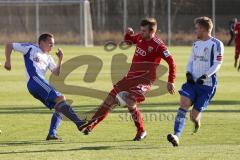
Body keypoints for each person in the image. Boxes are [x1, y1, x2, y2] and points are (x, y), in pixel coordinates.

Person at [79, 18, 176, 141]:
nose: (141, 33)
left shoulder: (159, 46)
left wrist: (171, 81)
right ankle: (92, 123)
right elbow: (129, 41)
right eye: (140, 30)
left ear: (152, 31)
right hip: (130, 78)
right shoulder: (140, 37)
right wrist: (128, 34)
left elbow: (171, 62)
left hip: (144, 81)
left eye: (144, 31)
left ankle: (141, 131)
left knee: (130, 101)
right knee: (109, 100)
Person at [4, 33, 85, 140]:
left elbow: (56, 73)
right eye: (50, 43)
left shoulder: (49, 57)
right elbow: (9, 45)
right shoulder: (31, 48)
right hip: (35, 80)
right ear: (41, 42)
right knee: (61, 98)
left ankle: (52, 134)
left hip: (38, 84)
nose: (52, 46)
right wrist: (8, 61)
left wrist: (60, 59)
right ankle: (79, 123)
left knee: (59, 105)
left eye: (53, 44)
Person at [167, 17, 224, 147]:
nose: (195, 30)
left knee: (193, 116)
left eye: (197, 28)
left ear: (203, 29)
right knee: (183, 105)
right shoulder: (196, 44)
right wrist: (188, 73)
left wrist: (205, 76)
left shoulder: (216, 44)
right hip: (192, 84)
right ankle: (176, 136)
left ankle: (197, 121)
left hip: (207, 86)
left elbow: (218, 63)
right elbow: (191, 62)